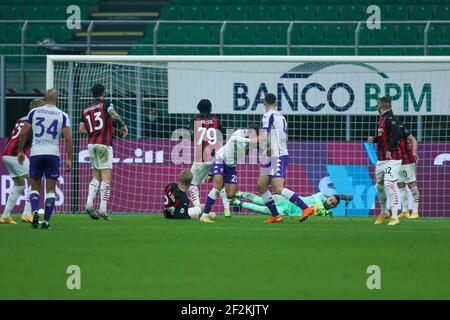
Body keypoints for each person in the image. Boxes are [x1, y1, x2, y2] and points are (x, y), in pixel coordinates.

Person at [17, 89, 73, 229]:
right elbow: (67, 138)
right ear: (57, 100)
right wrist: (70, 159)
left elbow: (23, 134)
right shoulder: (63, 115)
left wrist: (20, 151)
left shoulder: (34, 112)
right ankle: (46, 222)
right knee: (50, 190)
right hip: (52, 154)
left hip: (36, 153)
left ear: (44, 98)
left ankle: (35, 212)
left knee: (34, 187)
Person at [255, 93, 315, 223]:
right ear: (275, 103)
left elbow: (264, 136)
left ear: (264, 103)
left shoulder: (267, 115)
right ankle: (276, 216)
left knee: (278, 188)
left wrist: (249, 140)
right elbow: (285, 138)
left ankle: (305, 208)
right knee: (261, 186)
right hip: (274, 154)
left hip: (277, 155)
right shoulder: (281, 117)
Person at [79, 84, 128, 221]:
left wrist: (94, 131)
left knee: (96, 176)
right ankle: (103, 209)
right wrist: (122, 125)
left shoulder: (86, 109)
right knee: (106, 178)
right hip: (104, 144)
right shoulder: (107, 105)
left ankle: (89, 203)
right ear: (104, 92)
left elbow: (81, 129)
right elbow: (114, 114)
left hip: (91, 144)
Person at [0, 99, 45, 224]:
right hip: (16, 154)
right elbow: (28, 137)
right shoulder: (34, 120)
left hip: (6, 153)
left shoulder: (21, 119)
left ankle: (5, 216)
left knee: (19, 184)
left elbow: (13, 136)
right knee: (34, 180)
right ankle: (27, 213)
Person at [202, 125, 259, 218]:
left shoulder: (253, 143)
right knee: (217, 187)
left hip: (231, 165)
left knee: (231, 195)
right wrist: (250, 141)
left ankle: (218, 178)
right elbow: (233, 138)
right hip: (220, 157)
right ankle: (204, 215)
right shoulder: (241, 132)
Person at [187, 99, 231, 217]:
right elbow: (221, 135)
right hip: (216, 156)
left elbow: (190, 135)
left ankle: (198, 207)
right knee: (219, 183)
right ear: (211, 108)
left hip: (200, 157)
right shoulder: (217, 120)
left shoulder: (194, 120)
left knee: (192, 183)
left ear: (198, 108)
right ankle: (227, 210)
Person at [368, 96, 403, 226]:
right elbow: (385, 137)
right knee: (379, 186)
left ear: (381, 105)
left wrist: (390, 149)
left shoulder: (390, 119)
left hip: (392, 158)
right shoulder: (382, 119)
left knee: (389, 184)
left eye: (378, 103)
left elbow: (398, 134)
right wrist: (375, 139)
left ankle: (395, 217)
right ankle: (384, 212)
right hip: (381, 159)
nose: (377, 106)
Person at [231, 191, 340, 217]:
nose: (329, 203)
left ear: (334, 206)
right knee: (261, 201)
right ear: (328, 196)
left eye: (332, 204)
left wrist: (325, 212)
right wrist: (324, 211)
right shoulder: (320, 196)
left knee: (262, 210)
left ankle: (237, 202)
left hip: (287, 211)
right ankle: (239, 193)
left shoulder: (325, 214)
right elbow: (317, 202)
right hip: (285, 200)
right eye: (330, 200)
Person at [397, 123, 420, 219]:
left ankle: (415, 211)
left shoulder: (400, 127)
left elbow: (413, 139)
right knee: (400, 184)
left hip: (407, 159)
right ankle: (405, 211)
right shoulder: (385, 130)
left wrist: (414, 152)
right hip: (396, 160)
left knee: (412, 184)